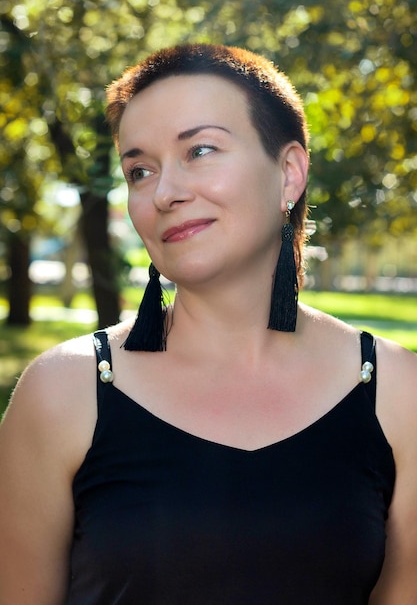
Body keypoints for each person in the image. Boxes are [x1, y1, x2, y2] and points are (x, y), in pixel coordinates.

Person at [0, 43, 416, 605]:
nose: (165, 193)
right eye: (140, 170)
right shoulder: (61, 392)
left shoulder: (399, 394)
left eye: (200, 149)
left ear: (289, 173)